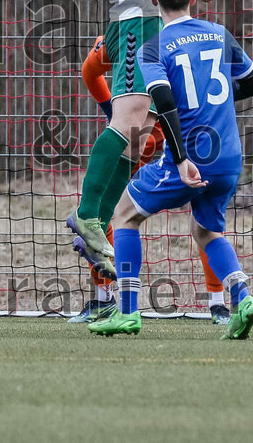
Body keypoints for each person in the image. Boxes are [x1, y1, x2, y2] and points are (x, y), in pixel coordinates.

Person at [89, 0, 253, 340]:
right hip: (229, 155)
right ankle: (243, 298)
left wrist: (182, 159)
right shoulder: (219, 34)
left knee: (124, 214)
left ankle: (128, 312)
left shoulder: (152, 48)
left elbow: (165, 103)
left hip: (191, 156)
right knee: (206, 231)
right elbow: (251, 85)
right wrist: (212, 99)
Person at [67, 0, 220, 273]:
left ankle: (97, 218)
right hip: (134, 25)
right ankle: (87, 213)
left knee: (137, 141)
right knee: (126, 123)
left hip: (149, 26)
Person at [69, 36, 233, 325]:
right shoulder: (126, 37)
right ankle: (105, 299)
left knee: (198, 215)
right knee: (112, 212)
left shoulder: (175, 41)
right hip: (145, 146)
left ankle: (217, 302)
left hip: (177, 142)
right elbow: (89, 71)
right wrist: (115, 115)